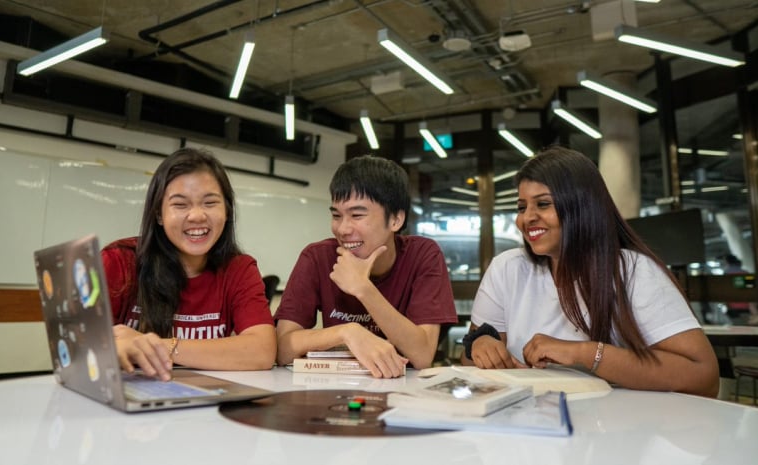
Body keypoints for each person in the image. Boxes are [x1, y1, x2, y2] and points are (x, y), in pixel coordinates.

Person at [461, 146, 719, 397]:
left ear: (581, 207)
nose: (526, 218)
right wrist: (480, 347)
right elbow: (469, 364)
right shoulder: (506, 268)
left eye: (542, 204)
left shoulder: (633, 271)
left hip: (616, 430)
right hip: (527, 428)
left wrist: (585, 353)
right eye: (521, 207)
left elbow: (704, 377)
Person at [274, 155, 458, 378]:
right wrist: (347, 332)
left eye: (357, 215)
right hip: (337, 389)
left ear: (396, 220)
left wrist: (363, 289)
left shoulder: (423, 255)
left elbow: (422, 356)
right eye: (336, 215)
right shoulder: (317, 257)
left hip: (402, 391)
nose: (342, 229)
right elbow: (282, 349)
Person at [102, 147, 276, 381]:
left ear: (227, 211)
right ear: (159, 215)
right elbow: (77, 348)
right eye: (180, 204)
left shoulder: (239, 269)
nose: (196, 216)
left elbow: (262, 351)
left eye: (209, 203)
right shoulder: (118, 262)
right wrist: (111, 349)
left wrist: (161, 347)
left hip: (205, 402)